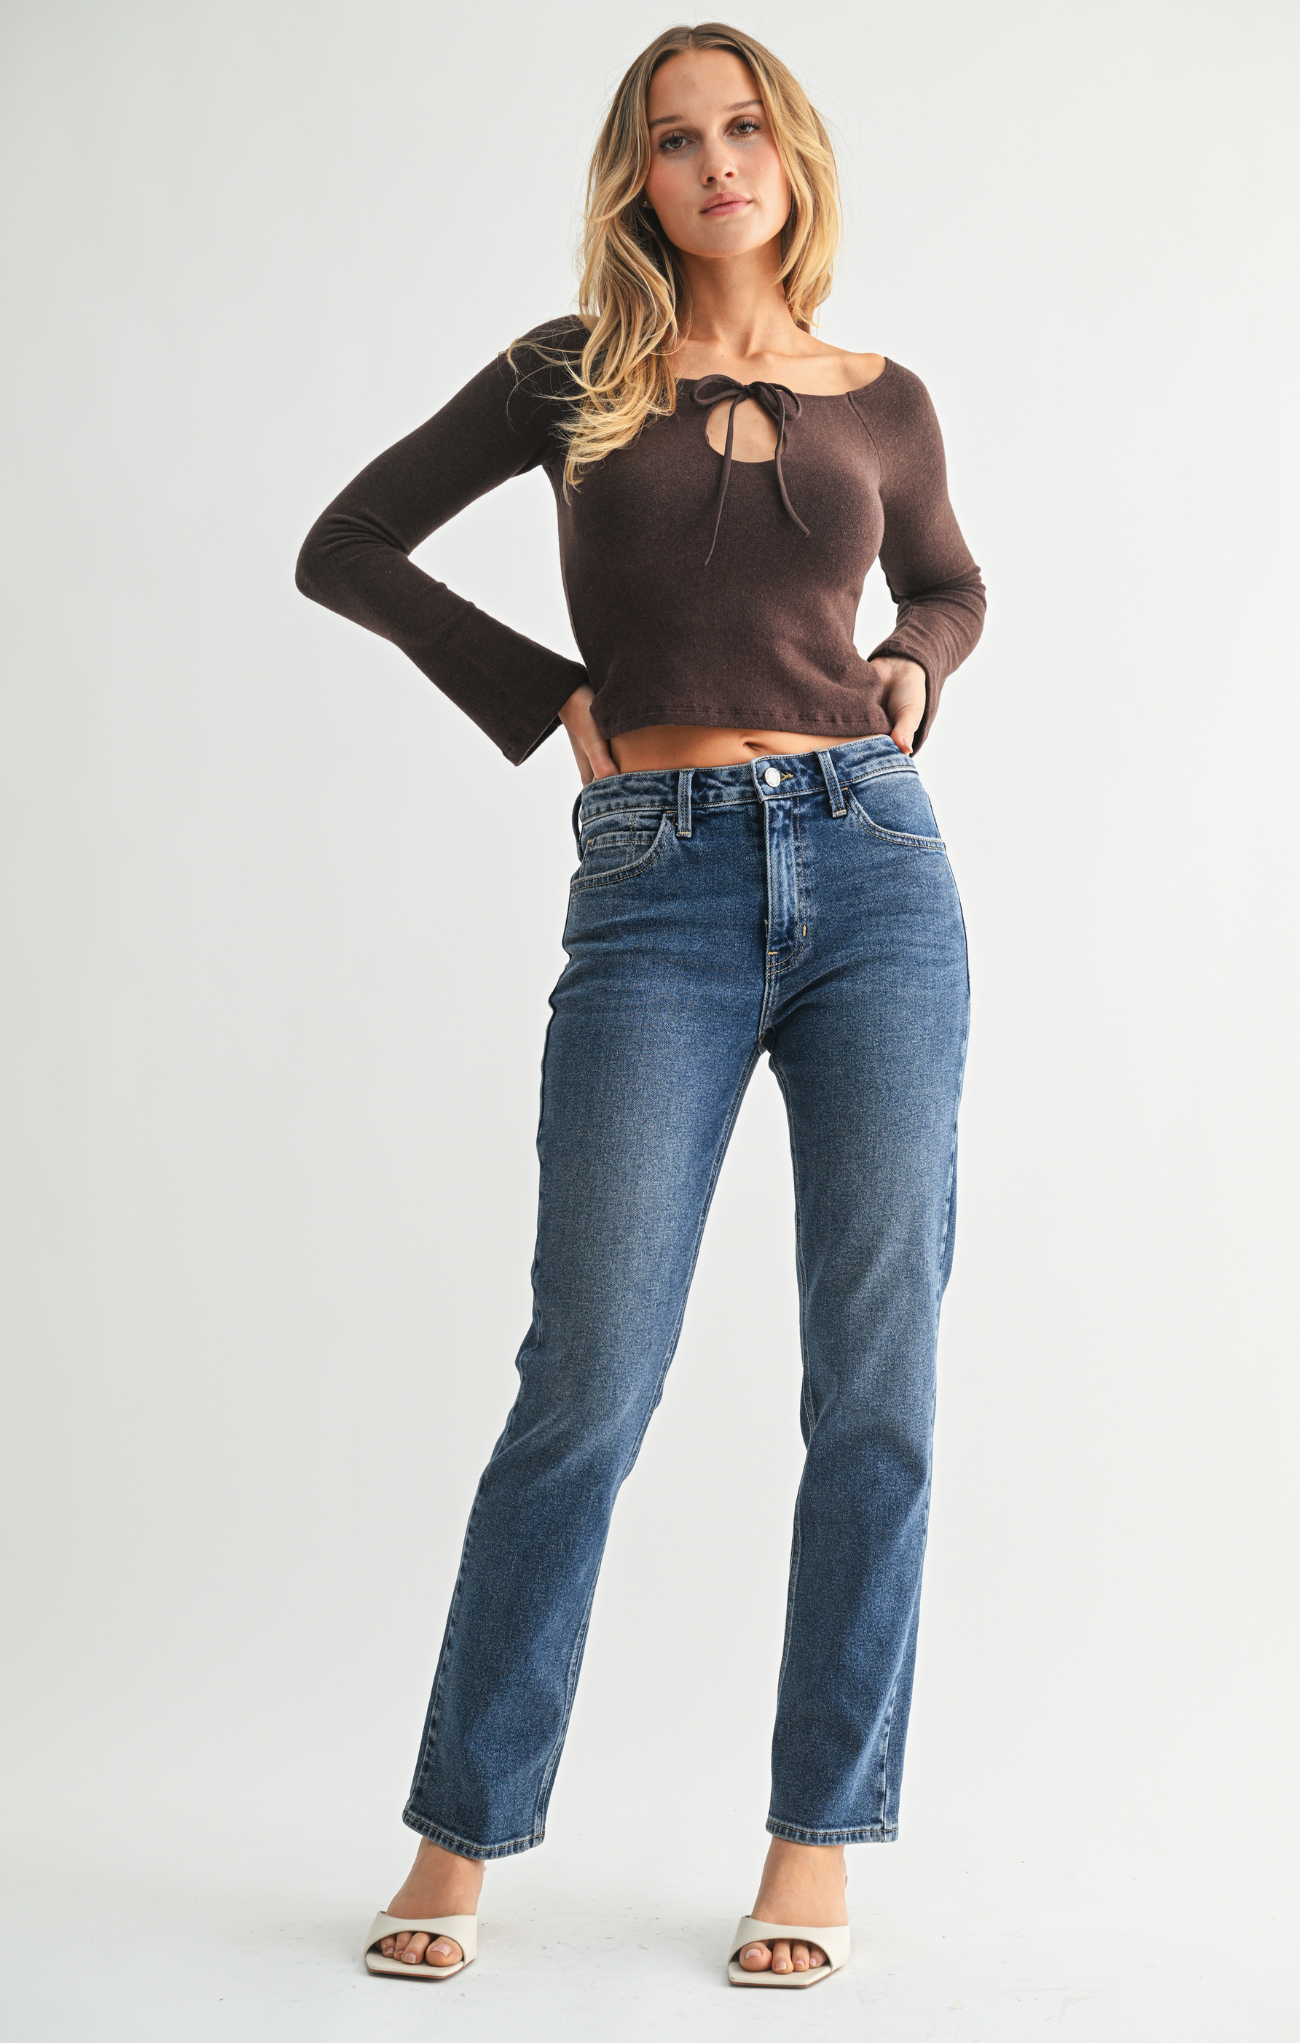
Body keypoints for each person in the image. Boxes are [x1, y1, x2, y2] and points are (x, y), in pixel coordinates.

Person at [296, 19, 985, 1991]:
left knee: (876, 1388)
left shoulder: (884, 395)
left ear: (789, 156)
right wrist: (550, 705)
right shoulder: (566, 373)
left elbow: (945, 579)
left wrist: (922, 660)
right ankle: (460, 1831)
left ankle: (813, 1840)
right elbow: (343, 546)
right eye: (672, 139)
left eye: (740, 127)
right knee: (583, 1382)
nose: (712, 163)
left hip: (873, 871)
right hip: (657, 886)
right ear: (635, 178)